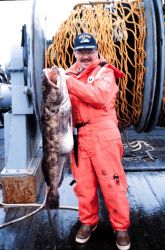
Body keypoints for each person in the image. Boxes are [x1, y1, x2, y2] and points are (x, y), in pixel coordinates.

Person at [47, 32, 131, 250]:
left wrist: (65, 81)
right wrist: (50, 78)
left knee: (112, 183)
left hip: (103, 134)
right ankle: (88, 221)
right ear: (74, 52)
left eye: (89, 51)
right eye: (81, 51)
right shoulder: (67, 75)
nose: (85, 55)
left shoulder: (106, 72)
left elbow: (99, 96)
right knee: (83, 185)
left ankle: (121, 227)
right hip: (76, 136)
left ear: (96, 51)